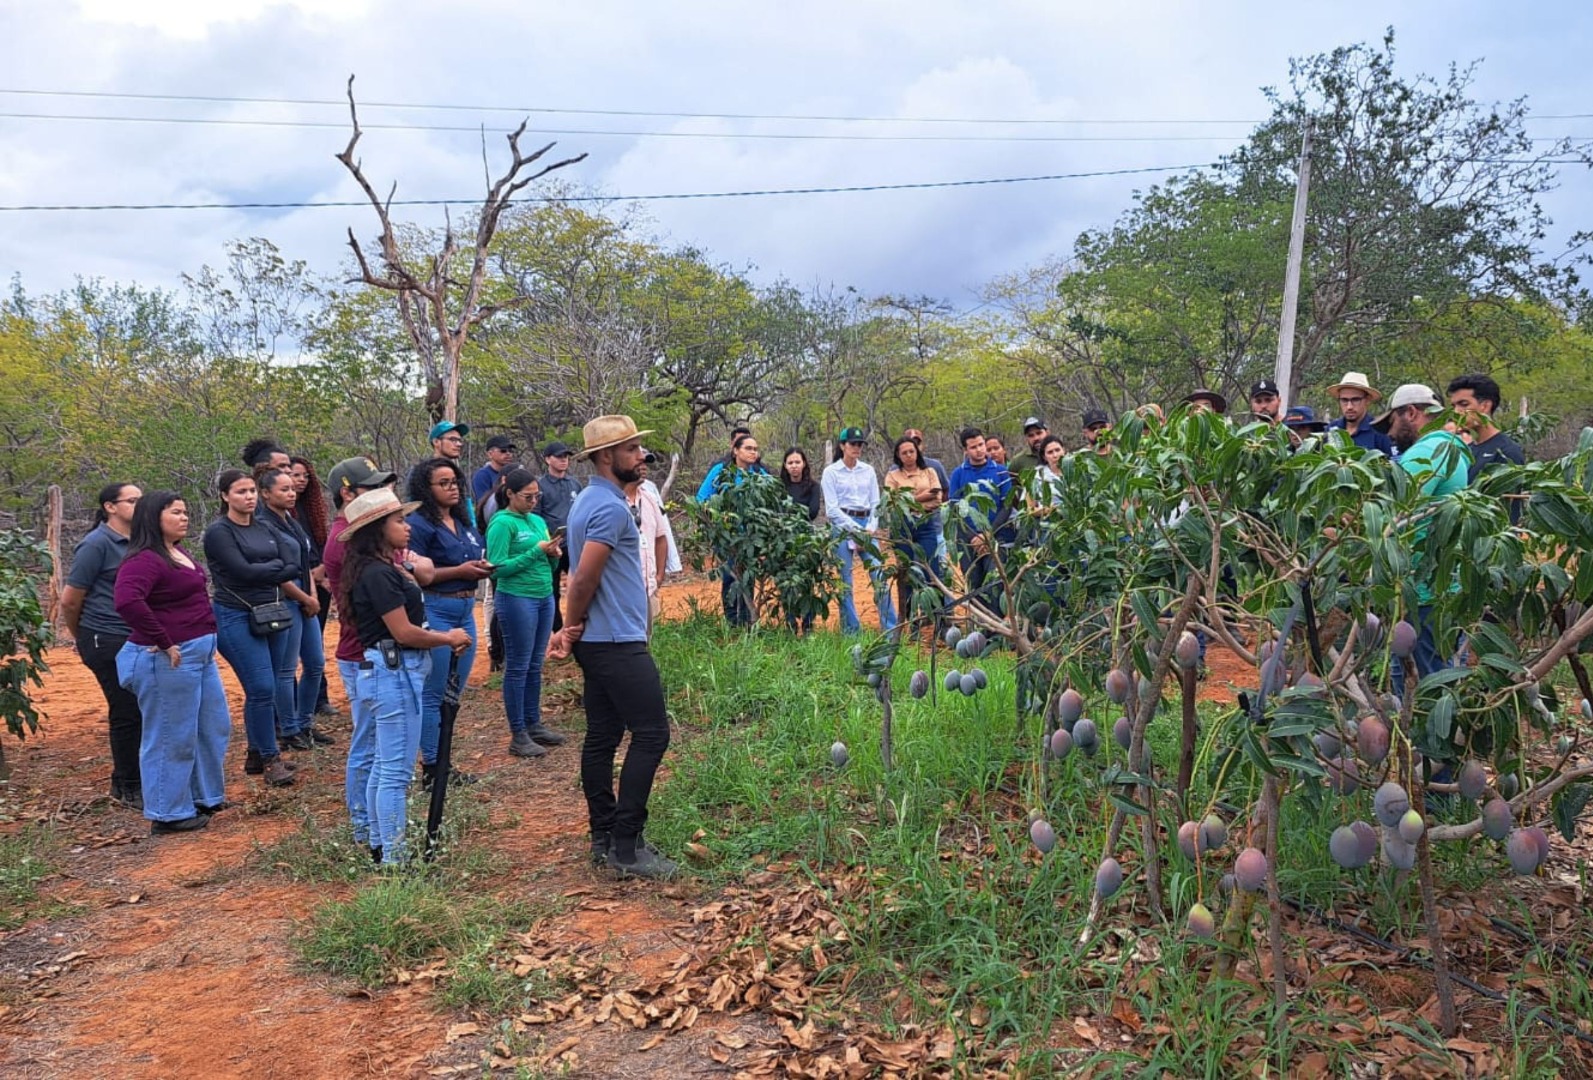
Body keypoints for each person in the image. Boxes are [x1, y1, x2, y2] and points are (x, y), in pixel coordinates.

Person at [548, 414, 677, 880]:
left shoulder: (589, 501)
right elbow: (583, 577)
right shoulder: (606, 508)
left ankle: (604, 834)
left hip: (604, 640)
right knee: (652, 734)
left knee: (603, 735)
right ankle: (626, 844)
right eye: (630, 450)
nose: (641, 456)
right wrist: (569, 624)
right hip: (616, 641)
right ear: (606, 457)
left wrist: (573, 628)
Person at [339, 488, 471, 866]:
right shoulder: (378, 574)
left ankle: (383, 846)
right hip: (393, 673)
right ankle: (395, 859)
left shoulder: (384, 569)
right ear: (377, 529)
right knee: (395, 772)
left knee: (386, 765)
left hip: (392, 671)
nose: (407, 526)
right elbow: (404, 632)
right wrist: (448, 637)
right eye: (398, 521)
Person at [112, 491, 231, 835]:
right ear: (153, 518)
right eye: (176, 512)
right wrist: (162, 640)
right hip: (169, 660)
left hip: (200, 655)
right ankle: (168, 813)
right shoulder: (144, 559)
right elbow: (127, 601)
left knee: (213, 725)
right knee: (170, 735)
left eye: (185, 512)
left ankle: (205, 796)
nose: (184, 517)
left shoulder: (176, 552)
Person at [322, 456, 403, 850]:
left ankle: (372, 827)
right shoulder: (349, 542)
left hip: (372, 653)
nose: (384, 493)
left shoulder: (366, 538)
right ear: (348, 493)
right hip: (364, 654)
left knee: (378, 748)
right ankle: (365, 829)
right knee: (370, 748)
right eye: (373, 488)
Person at [203, 469, 298, 788]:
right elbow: (242, 572)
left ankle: (257, 753)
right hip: (236, 615)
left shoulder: (264, 526)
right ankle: (271, 759)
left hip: (272, 611)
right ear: (225, 496)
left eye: (252, 491)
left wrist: (265, 570)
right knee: (260, 687)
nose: (249, 497)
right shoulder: (219, 532)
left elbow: (293, 564)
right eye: (241, 491)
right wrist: (273, 569)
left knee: (267, 686)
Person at [1379, 384, 1473, 688]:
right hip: (1437, 585)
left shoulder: (1428, 450)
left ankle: (1424, 737)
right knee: (1412, 676)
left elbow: (1399, 511)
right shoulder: (1452, 447)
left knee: (1428, 683)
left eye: (1392, 422)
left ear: (1410, 413)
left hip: (1424, 591)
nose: (1390, 434)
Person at [405, 458, 491, 787]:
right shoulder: (419, 525)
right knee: (434, 692)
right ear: (426, 489)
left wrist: (479, 567)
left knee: (453, 692)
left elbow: (469, 558)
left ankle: (444, 761)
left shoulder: (463, 520)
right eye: (444, 483)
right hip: (436, 610)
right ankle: (432, 768)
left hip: (466, 610)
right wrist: (460, 572)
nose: (452, 486)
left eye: (455, 480)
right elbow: (415, 574)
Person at [61, 482, 145, 810]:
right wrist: (81, 636)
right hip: (105, 637)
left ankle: (126, 779)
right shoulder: (96, 544)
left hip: (135, 636)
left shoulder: (140, 541)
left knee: (140, 708)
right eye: (132, 500)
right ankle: (128, 785)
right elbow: (70, 600)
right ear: (111, 506)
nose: (140, 505)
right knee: (126, 710)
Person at [485, 468, 567, 759]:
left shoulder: (537, 521)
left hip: (543, 595)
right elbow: (497, 567)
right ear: (510, 494)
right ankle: (517, 732)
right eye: (527, 496)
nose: (534, 501)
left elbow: (546, 565)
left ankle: (534, 723)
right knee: (518, 666)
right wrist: (536, 552)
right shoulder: (502, 523)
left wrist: (553, 557)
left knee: (535, 663)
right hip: (516, 597)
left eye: (537, 495)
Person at [256, 467, 328, 750]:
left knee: (315, 663)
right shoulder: (263, 524)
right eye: (283, 489)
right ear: (265, 493)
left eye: (291, 488)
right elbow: (277, 573)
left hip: (305, 596)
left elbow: (305, 562)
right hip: (286, 600)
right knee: (286, 670)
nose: (291, 493)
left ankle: (306, 722)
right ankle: (288, 729)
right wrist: (304, 597)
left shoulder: (292, 521)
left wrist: (312, 594)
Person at [822, 427, 898, 635]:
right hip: (843, 526)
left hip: (867, 524)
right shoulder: (831, 472)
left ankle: (891, 629)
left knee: (879, 575)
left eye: (859, 444)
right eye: (853, 444)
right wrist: (856, 530)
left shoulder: (868, 470)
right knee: (845, 580)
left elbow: (876, 502)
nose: (857, 448)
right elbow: (832, 509)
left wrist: (871, 528)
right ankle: (851, 630)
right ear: (842, 446)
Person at [696, 433, 770, 627]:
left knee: (748, 578)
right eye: (748, 448)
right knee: (731, 577)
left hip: (752, 537)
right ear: (736, 450)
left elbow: (772, 502)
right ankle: (731, 623)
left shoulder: (760, 475)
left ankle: (747, 622)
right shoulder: (721, 471)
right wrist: (719, 521)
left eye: (755, 449)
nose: (753, 452)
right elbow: (702, 498)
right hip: (728, 537)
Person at [289, 456, 336, 717]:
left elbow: (324, 545)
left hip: (320, 582)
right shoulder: (283, 514)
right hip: (298, 583)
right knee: (294, 647)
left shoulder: (313, 510)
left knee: (315, 642)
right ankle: (296, 702)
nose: (301, 480)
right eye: (296, 475)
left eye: (305, 476)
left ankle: (320, 698)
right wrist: (311, 576)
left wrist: (322, 572)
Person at [948, 427, 1014, 607]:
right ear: (965, 450)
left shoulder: (1000, 471)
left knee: (995, 583)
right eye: (973, 447)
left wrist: (988, 534)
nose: (979, 450)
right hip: (968, 539)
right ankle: (979, 629)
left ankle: (995, 630)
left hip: (995, 536)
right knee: (974, 584)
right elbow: (954, 509)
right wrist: (973, 537)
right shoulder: (958, 474)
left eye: (981, 444)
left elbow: (1007, 505)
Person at [884, 435, 945, 620]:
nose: (909, 455)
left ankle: (938, 618)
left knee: (932, 571)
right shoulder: (892, 476)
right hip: (902, 527)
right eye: (904, 453)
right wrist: (923, 497)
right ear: (898, 455)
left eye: (912, 451)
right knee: (906, 574)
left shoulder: (930, 472)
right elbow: (892, 502)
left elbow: (937, 499)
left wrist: (909, 500)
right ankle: (909, 620)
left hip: (926, 525)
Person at [537, 440, 585, 633]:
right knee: (553, 591)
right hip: (553, 547)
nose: (564, 460)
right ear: (548, 459)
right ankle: (556, 631)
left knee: (580, 586)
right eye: (559, 456)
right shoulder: (540, 486)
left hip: (574, 545)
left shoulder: (575, 484)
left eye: (566, 456)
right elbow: (536, 517)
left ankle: (580, 628)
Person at [1447, 373, 1525, 483]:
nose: (1456, 412)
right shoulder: (1466, 450)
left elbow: (1508, 498)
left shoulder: (1507, 452)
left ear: (1485, 406)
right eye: (1454, 406)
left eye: (1464, 404)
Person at [626, 453, 670, 634]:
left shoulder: (650, 498)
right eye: (638, 463)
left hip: (647, 586)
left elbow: (661, 538)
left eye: (645, 464)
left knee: (645, 642)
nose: (643, 467)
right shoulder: (610, 501)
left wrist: (659, 576)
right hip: (621, 590)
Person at [1325, 372, 1397, 456]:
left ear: (1367, 400)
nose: (1349, 407)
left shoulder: (1379, 431)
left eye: (1355, 400)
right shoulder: (1332, 429)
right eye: (1344, 400)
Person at [472, 435, 519, 513]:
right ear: (490, 454)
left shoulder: (514, 473)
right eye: (503, 450)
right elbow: (484, 505)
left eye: (510, 451)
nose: (508, 454)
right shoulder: (482, 475)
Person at [780, 449, 822, 523]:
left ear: (804, 463)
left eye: (797, 462)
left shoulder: (814, 486)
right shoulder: (779, 486)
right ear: (785, 465)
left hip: (805, 530)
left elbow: (813, 512)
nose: (794, 466)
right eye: (790, 463)